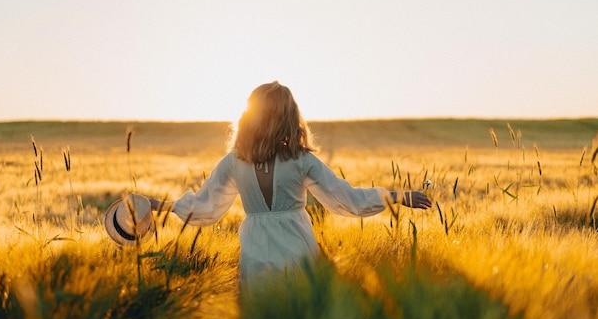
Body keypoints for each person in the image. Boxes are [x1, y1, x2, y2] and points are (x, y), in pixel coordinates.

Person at [149, 81, 432, 283]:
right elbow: (347, 198)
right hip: (299, 251)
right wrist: (397, 196)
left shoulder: (235, 161)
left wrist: (158, 206)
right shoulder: (300, 160)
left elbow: (204, 206)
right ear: (287, 117)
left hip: (255, 254)